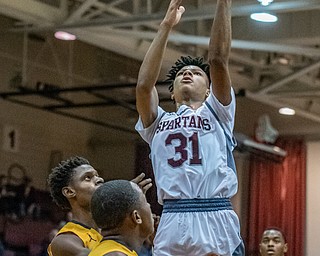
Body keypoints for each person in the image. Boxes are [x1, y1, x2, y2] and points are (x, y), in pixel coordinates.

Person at [135, 0, 244, 255]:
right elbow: (143, 86)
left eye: (196, 72)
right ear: (171, 93)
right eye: (181, 73)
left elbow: (217, 59)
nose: (187, 74)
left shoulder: (218, 112)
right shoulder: (158, 122)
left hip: (215, 214)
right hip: (173, 217)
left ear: (209, 90)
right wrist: (165, 26)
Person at [47, 156, 152, 256]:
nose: (100, 179)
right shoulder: (65, 240)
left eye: (97, 175)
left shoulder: (111, 232)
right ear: (69, 192)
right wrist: (122, 195)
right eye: (88, 177)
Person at [88, 179, 154, 256]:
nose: (149, 205)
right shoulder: (115, 254)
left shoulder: (109, 250)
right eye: (145, 202)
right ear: (136, 217)